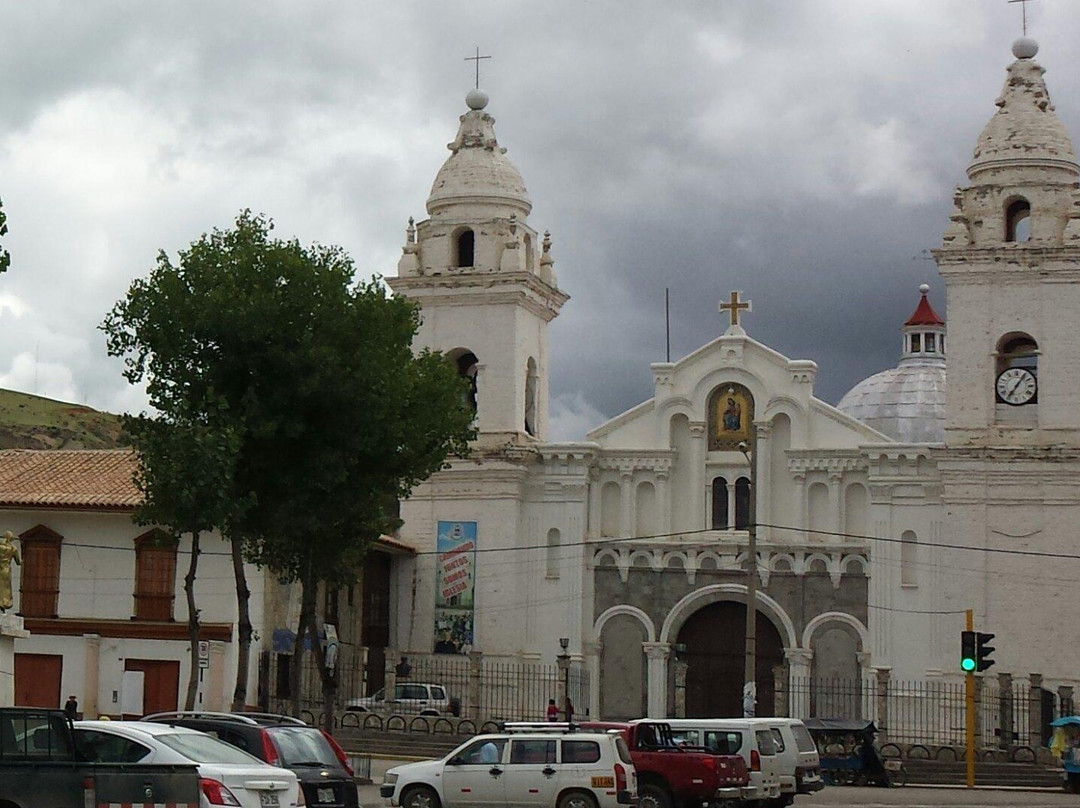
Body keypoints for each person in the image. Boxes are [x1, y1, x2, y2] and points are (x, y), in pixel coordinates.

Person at [0, 531, 21, 612]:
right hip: (6, 569)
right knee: (6, 588)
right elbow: (18, 562)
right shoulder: (13, 549)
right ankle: (4, 604)